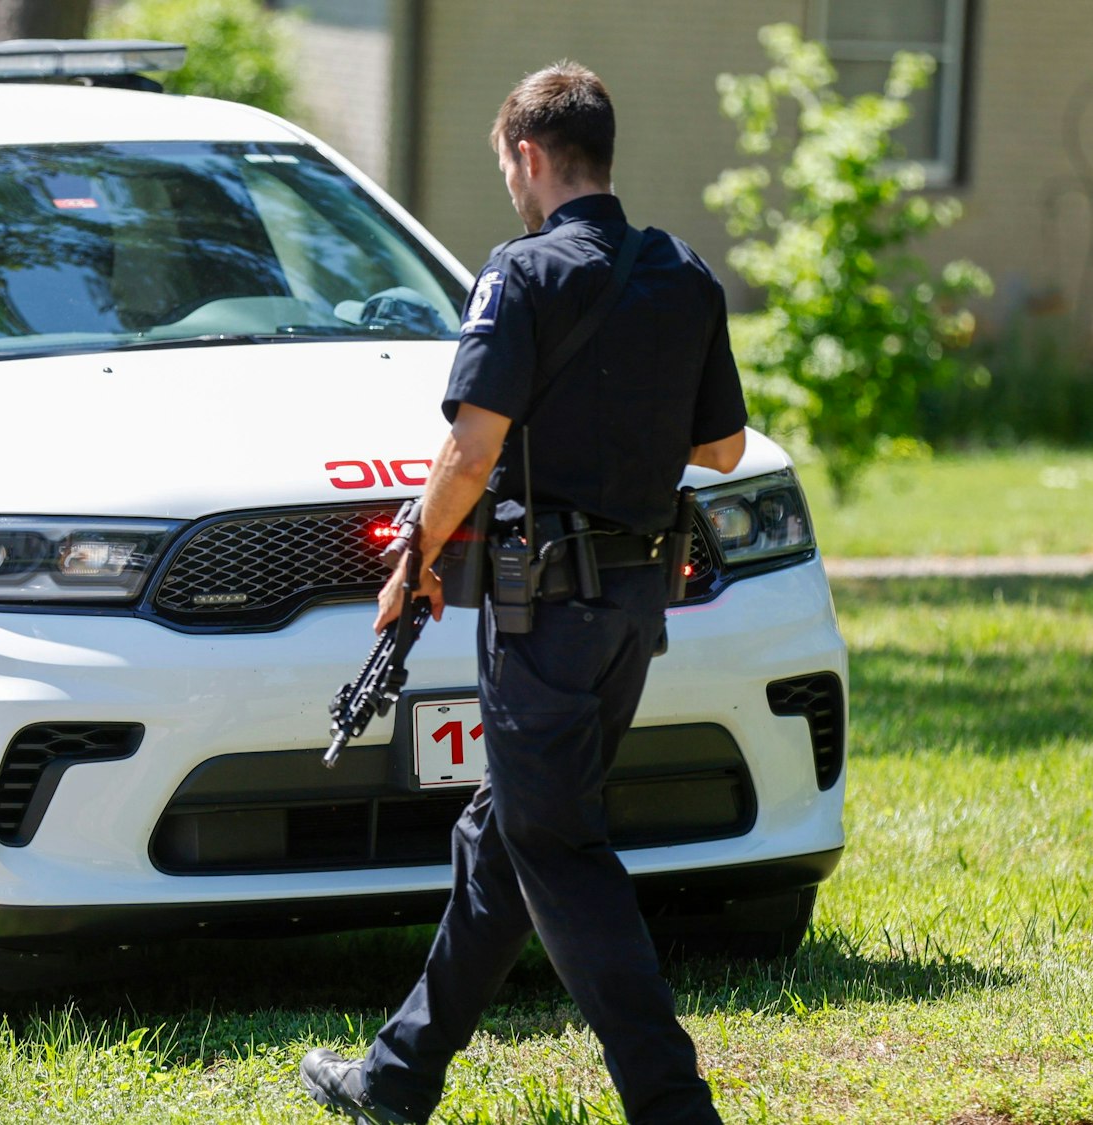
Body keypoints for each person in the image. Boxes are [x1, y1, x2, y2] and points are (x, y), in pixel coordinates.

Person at [298, 61, 749, 1125]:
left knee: (556, 847)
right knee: (503, 834)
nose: (510, 182)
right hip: (633, 610)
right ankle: (397, 1077)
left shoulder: (522, 273)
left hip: (541, 612)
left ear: (530, 156)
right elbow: (724, 447)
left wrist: (412, 559)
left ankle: (673, 1106)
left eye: (507, 165)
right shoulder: (681, 272)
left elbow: (469, 450)